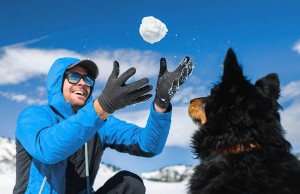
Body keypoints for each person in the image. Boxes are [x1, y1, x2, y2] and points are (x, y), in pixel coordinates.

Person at [13, 56, 194, 194]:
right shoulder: (34, 116)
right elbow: (47, 150)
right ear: (58, 82)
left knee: (130, 184)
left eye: (88, 79)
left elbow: (149, 146)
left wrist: (161, 104)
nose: (83, 83)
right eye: (74, 76)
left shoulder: (101, 122)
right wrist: (102, 106)